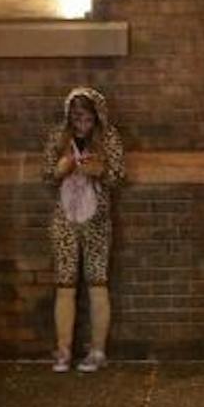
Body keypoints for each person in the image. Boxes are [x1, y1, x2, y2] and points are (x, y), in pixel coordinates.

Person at [43, 85, 128, 373]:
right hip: (65, 218)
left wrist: (99, 170)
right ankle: (63, 351)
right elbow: (46, 175)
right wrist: (61, 167)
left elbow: (118, 175)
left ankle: (98, 351)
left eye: (88, 119)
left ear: (97, 117)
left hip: (97, 220)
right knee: (65, 284)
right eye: (77, 119)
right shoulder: (58, 136)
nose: (82, 125)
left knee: (97, 282)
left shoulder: (109, 137)